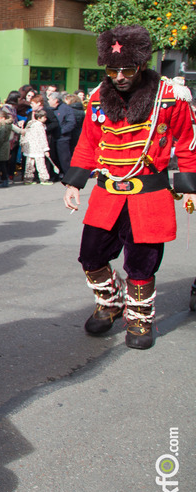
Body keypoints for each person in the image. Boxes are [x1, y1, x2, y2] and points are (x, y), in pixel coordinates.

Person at [62, 25, 196, 350]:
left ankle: (139, 317)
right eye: (112, 69)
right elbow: (88, 143)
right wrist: (74, 183)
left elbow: (188, 142)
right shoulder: (97, 97)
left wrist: (190, 186)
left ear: (141, 65)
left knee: (141, 263)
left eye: (126, 69)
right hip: (107, 192)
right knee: (90, 256)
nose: (119, 77)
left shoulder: (169, 97)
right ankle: (111, 302)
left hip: (149, 195)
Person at [11, 109, 52, 184]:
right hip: (38, 147)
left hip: (29, 148)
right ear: (39, 118)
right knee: (41, 165)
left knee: (29, 165)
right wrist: (46, 149)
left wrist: (22, 144)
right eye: (44, 117)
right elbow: (43, 138)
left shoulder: (29, 125)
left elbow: (24, 135)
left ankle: (28, 179)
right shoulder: (40, 126)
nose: (46, 119)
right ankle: (44, 179)